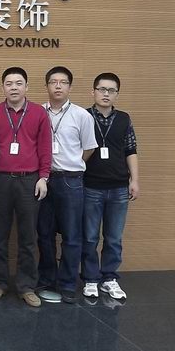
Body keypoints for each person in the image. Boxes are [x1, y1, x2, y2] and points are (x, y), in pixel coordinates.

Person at [0, 67, 52, 307]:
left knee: (27, 237)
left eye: (18, 83)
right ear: (3, 87)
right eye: (9, 83)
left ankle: (26, 286)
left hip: (29, 180)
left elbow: (45, 147)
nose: (14, 87)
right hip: (0, 180)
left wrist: (44, 177)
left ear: (27, 86)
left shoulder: (38, 113)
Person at [38, 66, 97, 303]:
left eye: (63, 82)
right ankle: (46, 280)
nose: (58, 86)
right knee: (44, 233)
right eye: (53, 82)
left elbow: (89, 148)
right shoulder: (38, 112)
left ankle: (68, 284)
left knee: (72, 235)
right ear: (47, 86)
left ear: (70, 87)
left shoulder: (82, 115)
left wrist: (71, 165)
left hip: (71, 180)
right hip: (43, 179)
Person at [81, 72, 139, 300]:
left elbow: (131, 150)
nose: (106, 94)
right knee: (90, 237)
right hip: (90, 185)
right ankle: (90, 278)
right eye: (102, 89)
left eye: (111, 90)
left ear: (117, 94)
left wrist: (135, 180)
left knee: (114, 237)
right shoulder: (84, 116)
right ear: (93, 92)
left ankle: (109, 278)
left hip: (119, 187)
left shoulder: (124, 119)